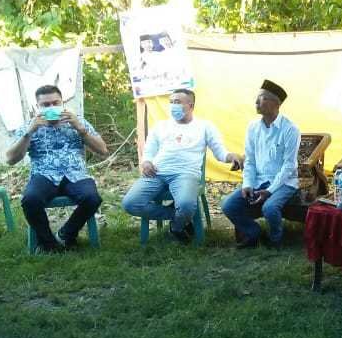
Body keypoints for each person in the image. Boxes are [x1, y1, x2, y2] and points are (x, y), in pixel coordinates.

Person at [122, 88, 243, 244]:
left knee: (186, 206)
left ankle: (177, 227)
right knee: (130, 203)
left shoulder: (204, 126)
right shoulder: (161, 126)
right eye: (171, 102)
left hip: (185, 175)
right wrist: (146, 162)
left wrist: (232, 157)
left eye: (177, 102)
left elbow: (220, 152)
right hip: (156, 173)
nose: (173, 105)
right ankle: (176, 216)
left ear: (190, 105)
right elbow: (149, 150)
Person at [5, 85, 109, 252]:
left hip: (76, 174)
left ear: (62, 103)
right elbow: (11, 159)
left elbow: (103, 150)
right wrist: (29, 133)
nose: (51, 107)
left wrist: (80, 129)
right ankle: (49, 244)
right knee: (30, 199)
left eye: (55, 103)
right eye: (46, 105)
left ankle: (65, 234)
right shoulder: (30, 126)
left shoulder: (77, 122)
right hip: (43, 175)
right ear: (37, 107)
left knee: (92, 198)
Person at [221, 80, 300, 249]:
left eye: (262, 98)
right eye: (257, 98)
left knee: (270, 208)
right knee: (228, 205)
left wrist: (270, 191)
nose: (256, 102)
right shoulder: (253, 127)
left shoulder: (290, 129)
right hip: (259, 181)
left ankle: (275, 240)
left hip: (284, 183)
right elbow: (250, 160)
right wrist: (248, 184)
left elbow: (289, 166)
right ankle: (254, 233)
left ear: (276, 104)